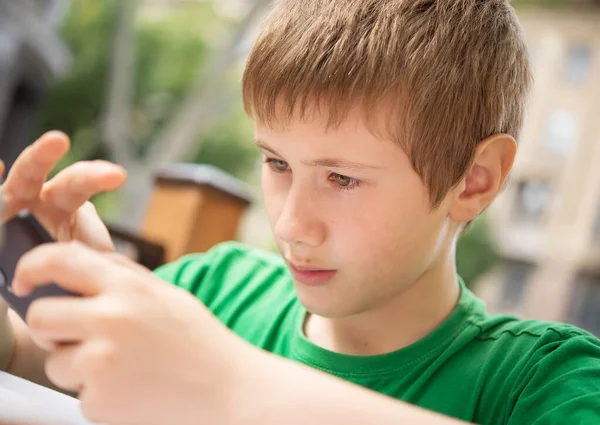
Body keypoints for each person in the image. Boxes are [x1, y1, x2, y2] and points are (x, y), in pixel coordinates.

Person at [1, 0, 599, 424]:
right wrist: (42, 298)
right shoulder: (214, 289)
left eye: (341, 178)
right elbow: (29, 361)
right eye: (277, 164)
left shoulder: (538, 381)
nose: (289, 225)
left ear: (475, 180)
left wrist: (223, 382)